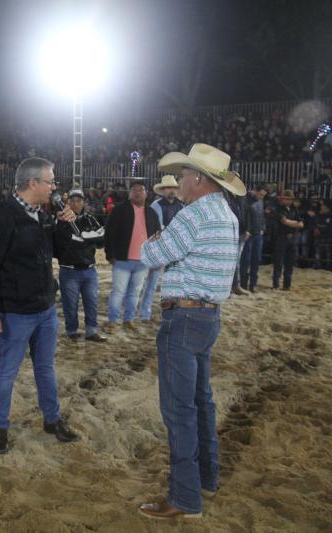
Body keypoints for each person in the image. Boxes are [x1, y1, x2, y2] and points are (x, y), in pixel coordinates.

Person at [138, 143, 243, 520]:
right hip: (209, 318)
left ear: (198, 179)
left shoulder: (192, 215)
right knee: (201, 402)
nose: (178, 182)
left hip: (182, 319)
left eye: (183, 175)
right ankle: (205, 479)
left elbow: (151, 256)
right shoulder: (227, 214)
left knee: (178, 409)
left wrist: (156, 243)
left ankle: (184, 498)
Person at [0, 157, 80, 455]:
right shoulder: (2, 216)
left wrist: (64, 225)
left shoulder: (42, 214)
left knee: (45, 368)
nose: (54, 187)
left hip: (45, 308)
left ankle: (52, 419)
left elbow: (58, 252)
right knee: (7, 370)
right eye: (50, 181)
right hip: (16, 312)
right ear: (33, 183)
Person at [104, 181, 161, 332]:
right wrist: (110, 254)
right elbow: (109, 232)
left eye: (141, 190)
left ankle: (128, 320)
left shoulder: (151, 213)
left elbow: (157, 235)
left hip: (142, 261)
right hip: (122, 259)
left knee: (135, 293)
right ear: (130, 193)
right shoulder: (119, 210)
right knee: (118, 291)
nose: (137, 193)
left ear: (146, 193)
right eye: (134, 190)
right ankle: (113, 320)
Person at [53, 187, 107, 342]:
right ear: (67, 203)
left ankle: (91, 331)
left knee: (92, 303)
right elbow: (62, 242)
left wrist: (83, 238)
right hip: (69, 270)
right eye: (73, 201)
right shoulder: (61, 221)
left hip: (89, 269)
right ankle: (71, 331)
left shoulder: (89, 218)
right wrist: (87, 238)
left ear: (83, 202)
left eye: (79, 200)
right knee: (70, 305)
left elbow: (102, 239)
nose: (76, 204)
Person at [139, 175, 183, 321]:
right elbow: (156, 228)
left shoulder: (180, 205)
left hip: (174, 248)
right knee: (152, 281)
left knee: (172, 284)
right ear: (163, 190)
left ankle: (170, 312)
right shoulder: (156, 206)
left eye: (174, 188)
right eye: (169, 188)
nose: (172, 191)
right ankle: (145, 313)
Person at [272, 190, 303, 290]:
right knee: (278, 262)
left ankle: (287, 285)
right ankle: (276, 284)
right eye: (286, 199)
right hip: (282, 237)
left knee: (290, 262)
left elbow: (301, 223)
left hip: (292, 237)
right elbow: (285, 222)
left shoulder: (294, 209)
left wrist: (292, 223)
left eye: (290, 199)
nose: (288, 201)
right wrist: (295, 224)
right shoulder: (279, 209)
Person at [239, 185, 267, 292]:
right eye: (260, 194)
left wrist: (263, 228)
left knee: (256, 260)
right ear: (255, 191)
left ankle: (253, 284)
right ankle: (243, 284)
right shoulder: (245, 200)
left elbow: (262, 216)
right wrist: (246, 230)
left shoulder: (260, 201)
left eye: (263, 195)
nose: (261, 197)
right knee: (246, 260)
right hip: (249, 235)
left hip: (258, 234)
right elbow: (244, 215)